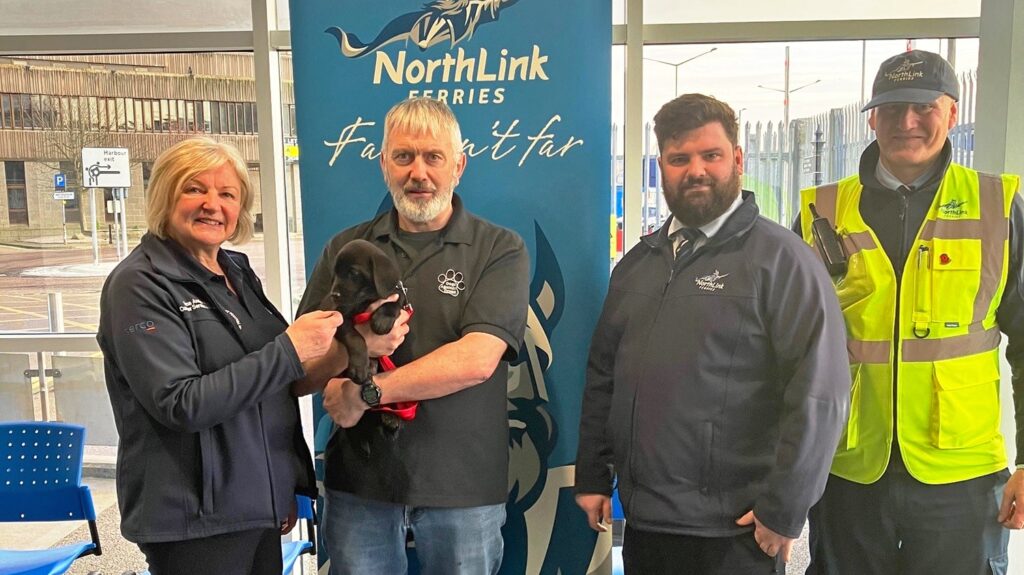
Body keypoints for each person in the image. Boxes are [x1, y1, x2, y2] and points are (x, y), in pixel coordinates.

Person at [574, 93, 850, 574]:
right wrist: (593, 475)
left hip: (738, 530)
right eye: (679, 159)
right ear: (661, 165)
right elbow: (604, 378)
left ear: (737, 160)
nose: (695, 170)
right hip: (647, 524)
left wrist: (784, 509)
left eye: (711, 155)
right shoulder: (638, 266)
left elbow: (820, 394)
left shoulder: (783, 262)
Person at [98, 137, 401, 575]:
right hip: (194, 520)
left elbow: (280, 380)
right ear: (165, 195)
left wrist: (281, 488)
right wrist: (290, 348)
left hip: (254, 509)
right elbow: (180, 403)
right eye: (194, 189)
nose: (211, 204)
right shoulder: (139, 285)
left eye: (227, 194)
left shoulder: (235, 269)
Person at [796, 49, 1024, 575]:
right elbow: (788, 350)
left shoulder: (998, 205)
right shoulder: (820, 212)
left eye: (924, 106)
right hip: (850, 467)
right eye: (892, 108)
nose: (908, 122)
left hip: (962, 473)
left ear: (952, 110)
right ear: (872, 117)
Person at [294, 97, 530, 575]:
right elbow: (299, 369)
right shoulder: (346, 247)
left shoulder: (499, 248)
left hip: (462, 486)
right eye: (403, 157)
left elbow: (476, 360)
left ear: (458, 165)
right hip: (361, 484)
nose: (417, 172)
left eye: (433, 157)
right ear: (384, 165)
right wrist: (352, 351)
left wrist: (364, 392)